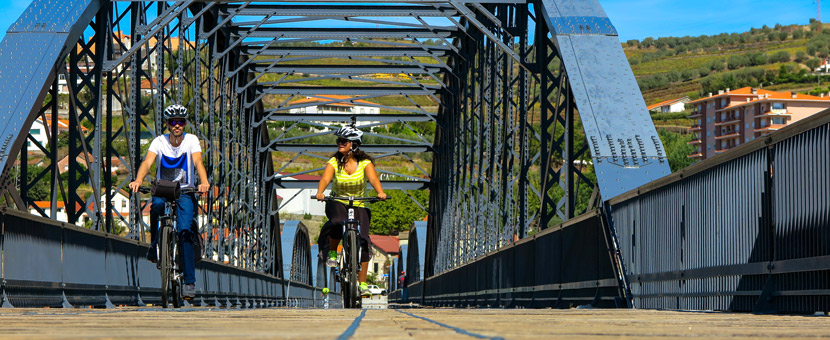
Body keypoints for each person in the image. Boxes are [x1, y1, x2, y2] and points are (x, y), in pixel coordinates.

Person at [129, 104, 210, 299]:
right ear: (167, 124)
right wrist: (139, 180)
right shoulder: (159, 142)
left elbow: (198, 161)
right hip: (163, 189)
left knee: (185, 232)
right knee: (155, 206)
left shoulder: (191, 140)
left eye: (180, 122)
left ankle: (189, 282)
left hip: (185, 191)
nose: (177, 125)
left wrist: (204, 182)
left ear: (184, 124)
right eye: (173, 122)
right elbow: (148, 162)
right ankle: (156, 244)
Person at [315, 125, 386, 295]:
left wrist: (380, 192)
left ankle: (362, 284)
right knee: (337, 221)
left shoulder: (365, 163)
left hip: (358, 203)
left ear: (353, 144)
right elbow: (326, 178)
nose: (339, 144)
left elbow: (373, 178)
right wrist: (320, 192)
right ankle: (333, 252)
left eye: (343, 141)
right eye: (338, 141)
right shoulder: (334, 162)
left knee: (364, 240)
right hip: (337, 200)